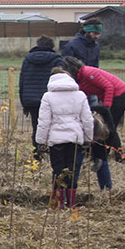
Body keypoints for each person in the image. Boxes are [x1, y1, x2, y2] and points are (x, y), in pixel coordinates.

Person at [65, 58, 125, 190]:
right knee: (107, 128)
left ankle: (110, 155)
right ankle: (111, 154)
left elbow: (108, 87)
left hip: (121, 95)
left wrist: (105, 108)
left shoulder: (89, 73)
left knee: (108, 128)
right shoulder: (79, 81)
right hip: (112, 97)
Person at [34, 64, 93, 209]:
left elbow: (43, 121)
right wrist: (88, 138)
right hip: (75, 139)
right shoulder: (80, 95)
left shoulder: (48, 96)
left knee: (58, 171)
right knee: (72, 170)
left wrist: (40, 141)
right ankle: (71, 203)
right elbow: (87, 119)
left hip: (56, 140)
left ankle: (58, 203)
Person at [17, 37, 63, 139]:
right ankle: (50, 151)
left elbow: (22, 81)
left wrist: (24, 102)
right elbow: (61, 80)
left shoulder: (27, 60)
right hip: (52, 100)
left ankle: (37, 152)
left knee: (37, 127)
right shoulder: (57, 60)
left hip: (32, 100)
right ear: (51, 46)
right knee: (53, 127)